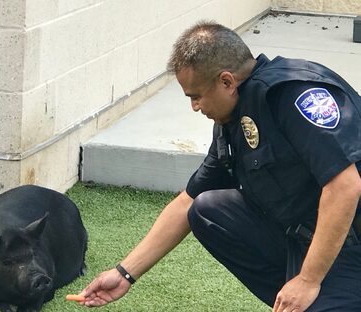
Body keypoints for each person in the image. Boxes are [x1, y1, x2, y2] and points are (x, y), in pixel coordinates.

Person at [79, 21, 361, 311]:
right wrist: (124, 273)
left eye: (196, 96)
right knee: (207, 210)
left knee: (313, 289)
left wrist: (308, 280)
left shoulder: (290, 94)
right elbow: (186, 202)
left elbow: (345, 186)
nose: (195, 107)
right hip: (304, 239)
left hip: (349, 245)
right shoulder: (234, 122)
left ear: (226, 82)